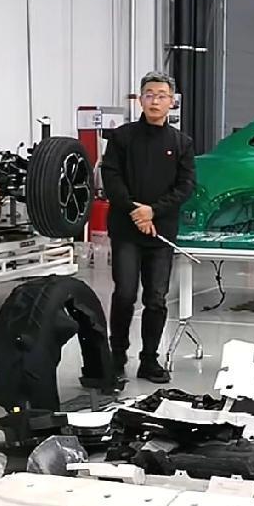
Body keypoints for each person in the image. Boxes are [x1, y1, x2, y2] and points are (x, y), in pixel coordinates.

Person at [100, 72, 196, 386]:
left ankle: (149, 359)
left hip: (160, 232)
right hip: (126, 230)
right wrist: (134, 210)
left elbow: (185, 186)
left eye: (161, 96)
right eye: (149, 95)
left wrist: (153, 211)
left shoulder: (181, 143)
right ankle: (117, 357)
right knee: (125, 293)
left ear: (172, 102)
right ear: (140, 100)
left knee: (156, 298)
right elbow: (111, 178)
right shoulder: (122, 137)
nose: (155, 101)